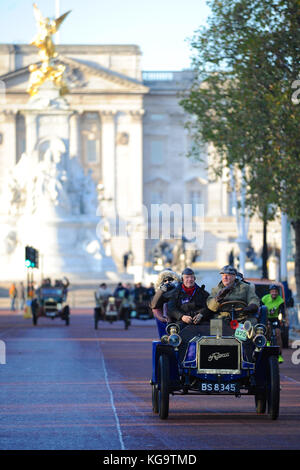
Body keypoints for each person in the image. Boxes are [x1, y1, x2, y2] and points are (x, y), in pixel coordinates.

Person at [167, 267, 214, 361]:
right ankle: (182, 361)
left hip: (200, 323)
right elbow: (171, 309)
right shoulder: (175, 293)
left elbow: (210, 307)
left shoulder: (203, 293)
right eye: (187, 277)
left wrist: (202, 315)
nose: (189, 280)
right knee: (179, 336)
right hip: (182, 323)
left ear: (195, 279)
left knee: (215, 332)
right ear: (182, 279)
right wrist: (182, 317)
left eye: (191, 277)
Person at [150, 268, 181, 337]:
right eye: (165, 280)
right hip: (163, 318)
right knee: (164, 337)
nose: (167, 282)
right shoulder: (159, 291)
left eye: (170, 280)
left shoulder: (178, 289)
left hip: (176, 317)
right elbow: (153, 305)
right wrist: (162, 290)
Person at [261, 284, 285, 363]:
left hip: (275, 318)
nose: (274, 293)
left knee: (278, 334)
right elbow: (261, 309)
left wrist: (282, 319)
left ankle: (279, 355)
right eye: (272, 291)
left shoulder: (280, 300)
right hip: (266, 318)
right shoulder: (264, 299)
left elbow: (282, 311)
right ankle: (267, 342)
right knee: (267, 330)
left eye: (276, 292)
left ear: (278, 293)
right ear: (270, 292)